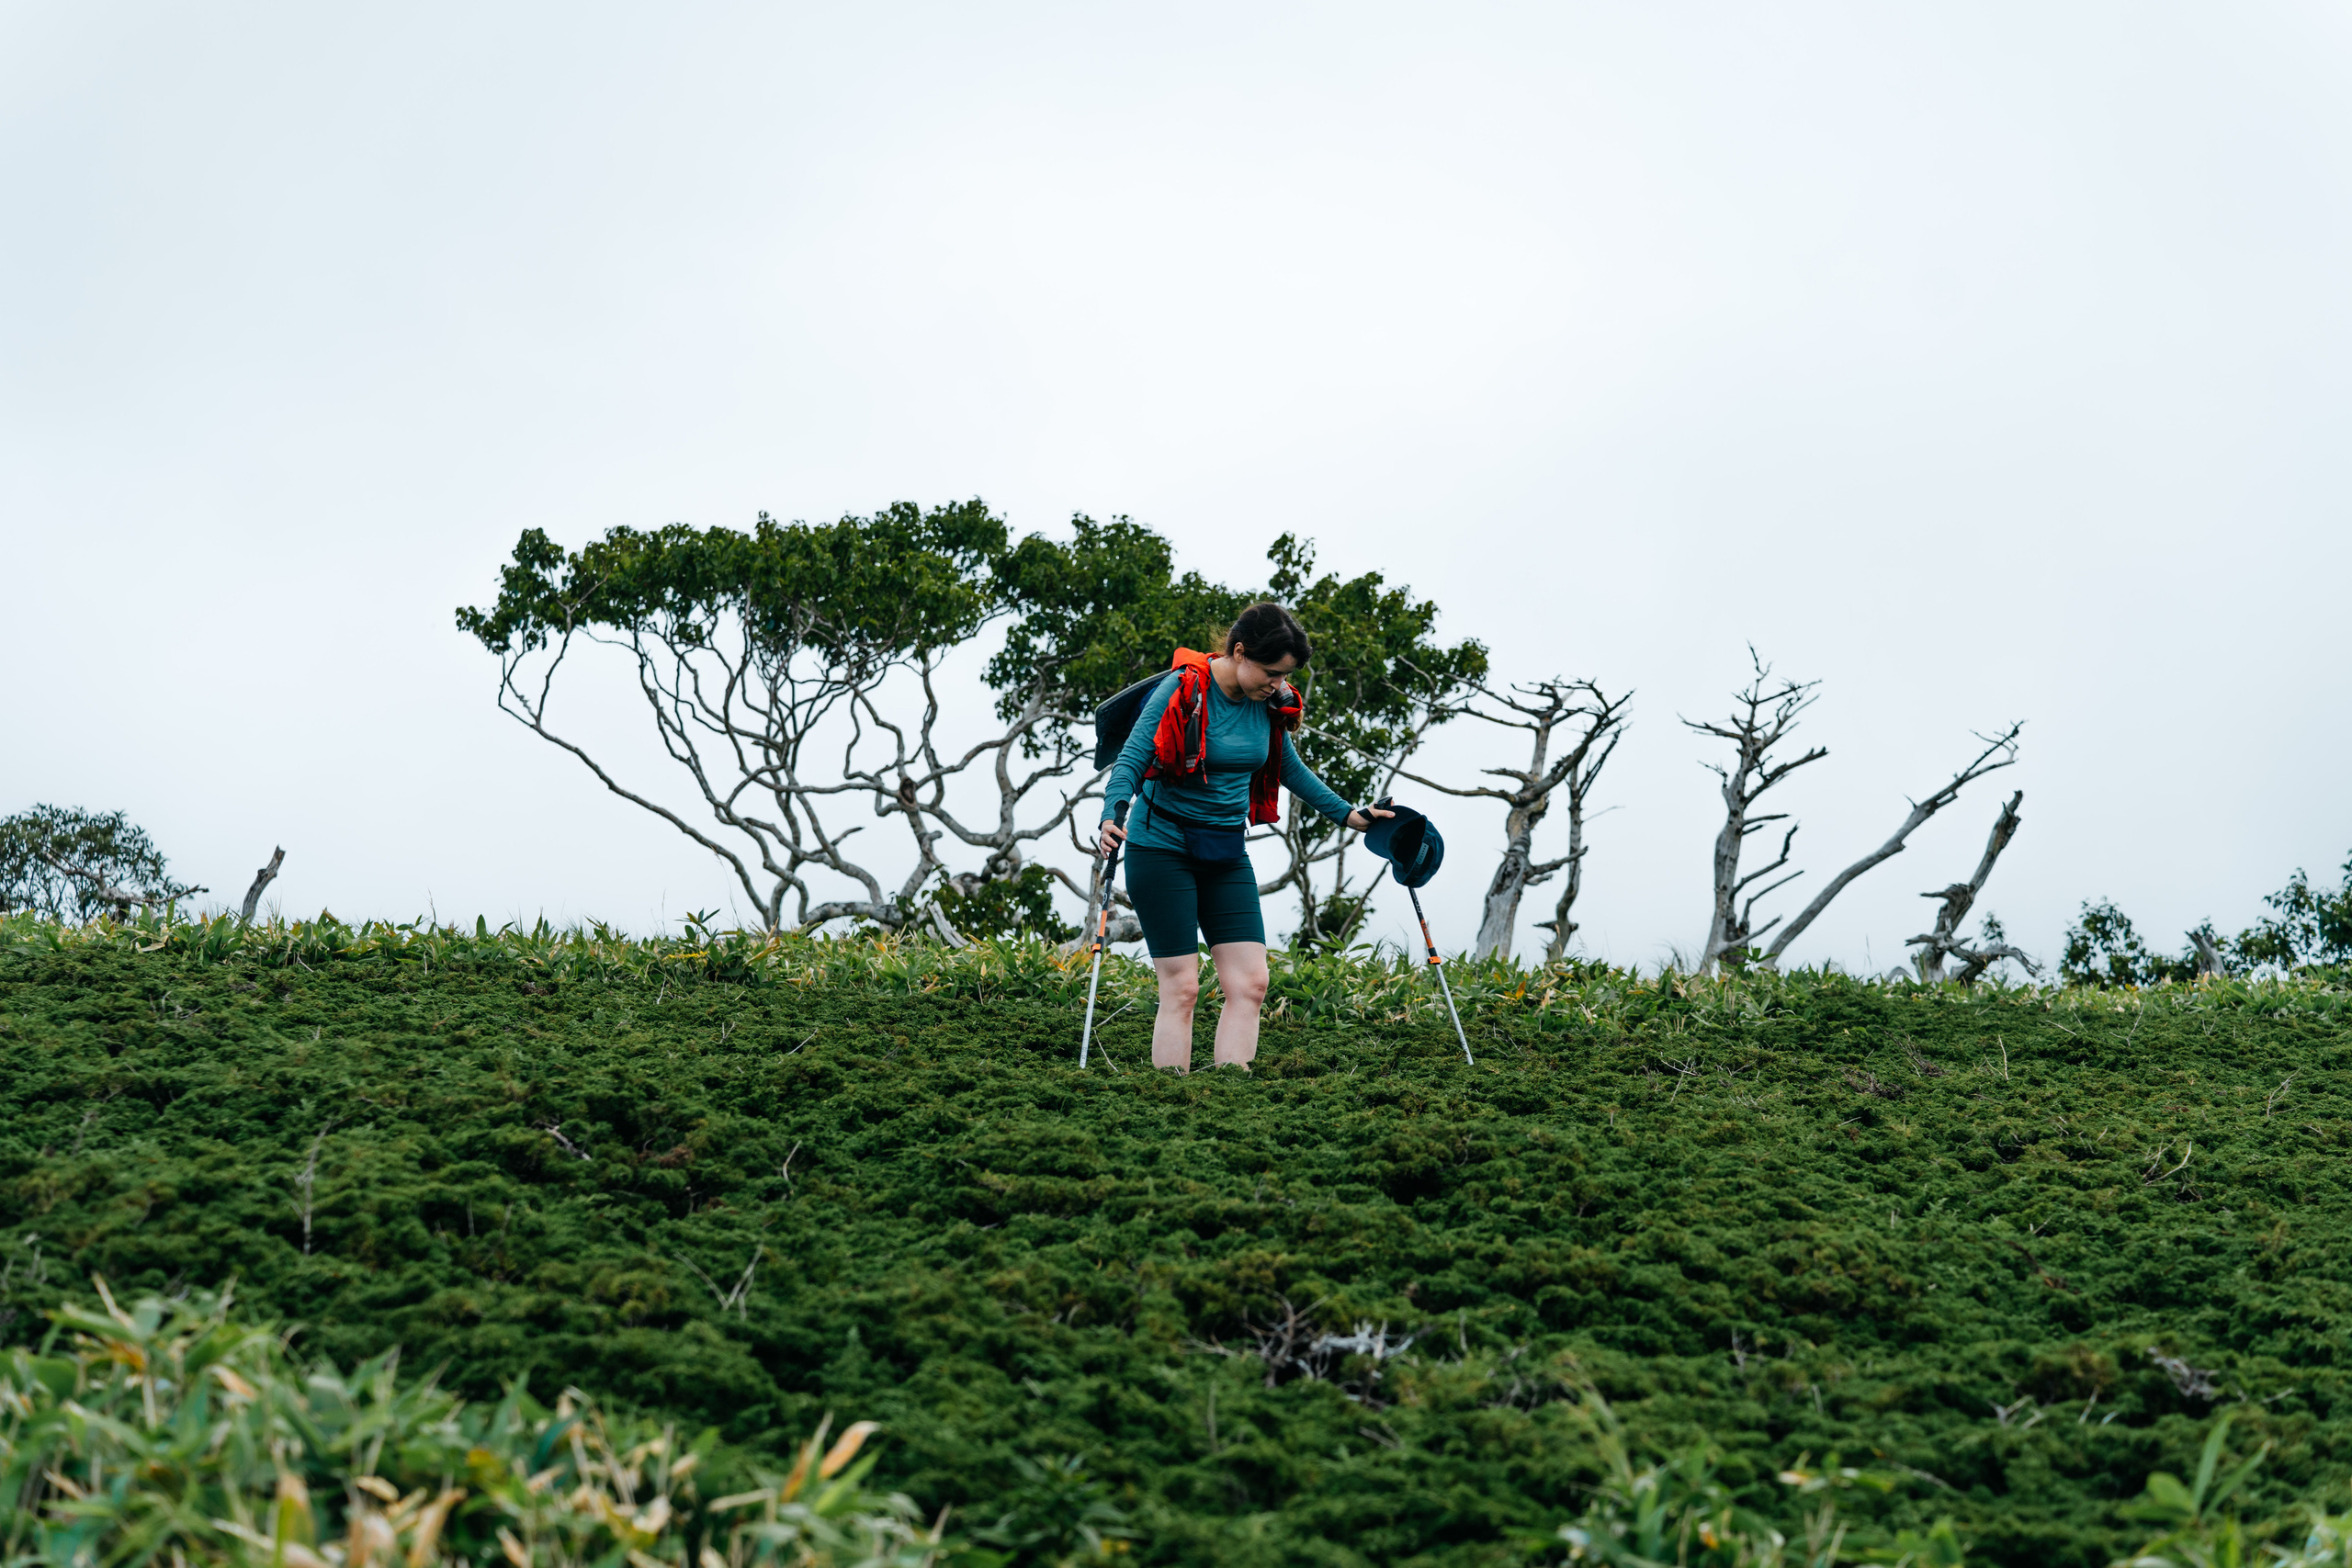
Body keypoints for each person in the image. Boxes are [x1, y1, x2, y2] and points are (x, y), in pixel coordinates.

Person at [1097, 603, 1392, 1072]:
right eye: (1272, 673)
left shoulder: (1269, 704)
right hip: (1161, 848)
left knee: (1251, 983)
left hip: (1224, 851)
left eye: (1285, 677)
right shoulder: (1183, 688)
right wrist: (1113, 813)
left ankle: (1227, 1099)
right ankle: (1171, 1103)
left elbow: (1289, 768)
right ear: (1240, 653)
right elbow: (1132, 756)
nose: (1278, 686)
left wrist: (1349, 815)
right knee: (1183, 987)